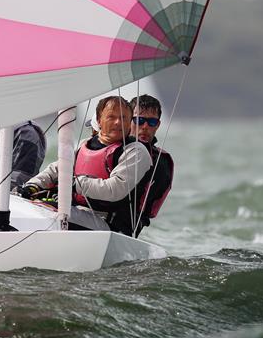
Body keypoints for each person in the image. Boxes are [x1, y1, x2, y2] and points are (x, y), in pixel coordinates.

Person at [20, 96, 153, 237]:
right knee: (28, 206)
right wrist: (31, 186)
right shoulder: (84, 144)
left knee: (45, 212)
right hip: (76, 212)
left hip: (110, 225)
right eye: (111, 117)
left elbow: (115, 189)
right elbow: (57, 169)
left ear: (130, 122)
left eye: (124, 118)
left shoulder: (136, 151)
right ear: (99, 120)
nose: (118, 122)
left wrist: (72, 183)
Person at [128, 94, 174, 230]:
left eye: (152, 122)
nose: (145, 126)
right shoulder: (110, 148)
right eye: (139, 120)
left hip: (126, 229)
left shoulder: (161, 163)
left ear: (158, 125)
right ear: (128, 120)